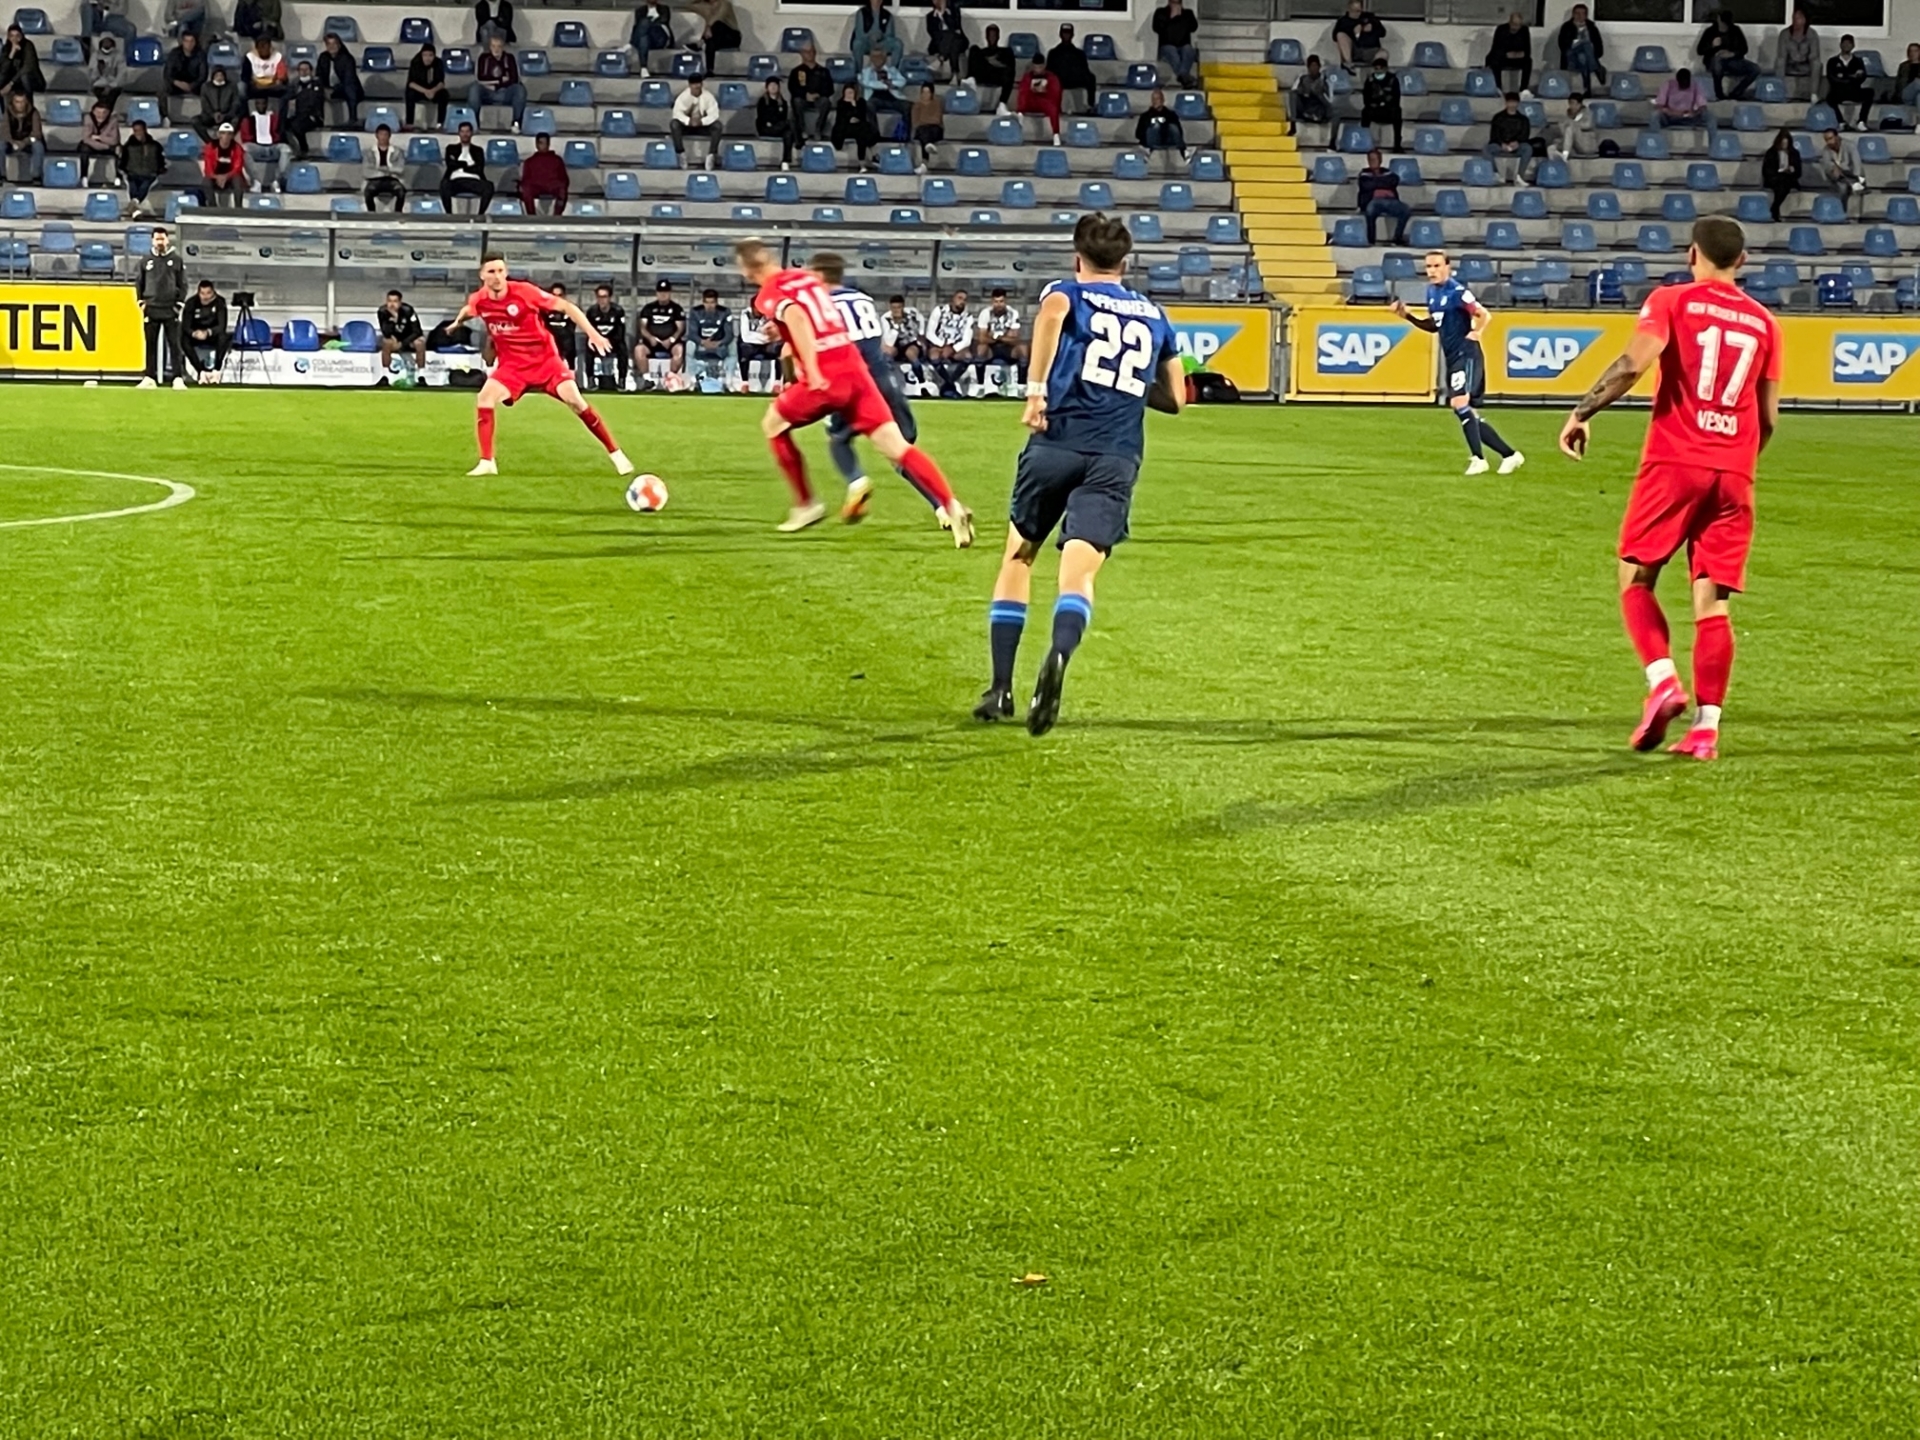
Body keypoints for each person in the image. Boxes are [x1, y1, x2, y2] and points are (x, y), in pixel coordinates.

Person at [1557, 216, 1780, 763]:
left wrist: (1582, 412)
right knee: (1713, 601)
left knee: (1635, 575)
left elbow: (1633, 364)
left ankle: (1663, 683)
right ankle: (1705, 731)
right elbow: (1768, 417)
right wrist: (1735, 461)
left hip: (1676, 459)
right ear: (1742, 261)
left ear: (1691, 254)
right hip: (1735, 472)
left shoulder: (1672, 301)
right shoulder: (1766, 323)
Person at [974, 213, 1184, 732]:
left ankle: (1000, 689)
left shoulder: (1066, 292)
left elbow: (1051, 316)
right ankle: (1061, 650)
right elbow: (1176, 398)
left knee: (1019, 556)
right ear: (1125, 262)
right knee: (1079, 574)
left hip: (1056, 444)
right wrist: (1127, 386)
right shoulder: (1154, 314)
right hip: (1116, 455)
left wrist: (1035, 391)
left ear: (1077, 257)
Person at [735, 237, 970, 540]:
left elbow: (797, 317)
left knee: (773, 424)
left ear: (746, 268)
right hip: (857, 370)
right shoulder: (805, 278)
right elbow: (816, 315)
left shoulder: (768, 294)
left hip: (827, 374)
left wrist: (812, 367)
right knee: (897, 447)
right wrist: (780, 329)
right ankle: (950, 504)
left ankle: (806, 503)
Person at [454, 252, 629, 477]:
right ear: (482, 275)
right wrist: (456, 322)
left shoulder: (525, 292)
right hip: (512, 366)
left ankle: (616, 454)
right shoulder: (479, 299)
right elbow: (469, 311)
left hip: (545, 361)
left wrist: (593, 334)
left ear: (506, 272)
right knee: (484, 398)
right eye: (491, 272)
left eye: (500, 271)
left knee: (576, 402)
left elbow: (567, 307)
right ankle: (487, 462)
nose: (497, 276)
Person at [813, 253, 952, 526]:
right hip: (887, 381)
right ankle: (943, 506)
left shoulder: (822, 306)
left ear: (819, 275)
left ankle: (857, 482)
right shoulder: (864, 300)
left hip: (857, 384)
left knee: (838, 439)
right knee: (903, 451)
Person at [1389, 250, 1522, 475]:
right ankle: (1510, 455)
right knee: (1466, 411)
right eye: (1428, 267)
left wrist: (1477, 332)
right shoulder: (1432, 292)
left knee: (1459, 403)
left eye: (1436, 266)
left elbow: (1484, 314)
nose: (1432, 271)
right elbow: (1434, 326)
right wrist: (1408, 316)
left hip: (1467, 353)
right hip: (1452, 357)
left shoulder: (1457, 292)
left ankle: (1478, 459)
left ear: (1447, 267)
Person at [135, 225, 188, 389]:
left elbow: (183, 283)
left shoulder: (176, 260)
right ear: (152, 240)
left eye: (162, 239)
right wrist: (141, 302)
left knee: (174, 345)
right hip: (151, 307)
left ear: (167, 240)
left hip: (170, 308)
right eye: (157, 239)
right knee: (150, 345)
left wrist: (179, 304)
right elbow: (139, 282)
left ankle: (177, 378)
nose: (160, 242)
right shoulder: (145, 260)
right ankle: (149, 377)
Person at [972, 287, 1027, 394]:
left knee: (1023, 348)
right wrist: (1004, 336)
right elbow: (982, 338)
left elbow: (1015, 338)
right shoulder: (985, 313)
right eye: (996, 302)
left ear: (1006, 301)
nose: (999, 305)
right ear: (992, 302)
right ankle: (980, 386)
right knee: (981, 347)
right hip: (991, 348)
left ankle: (1021, 387)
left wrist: (994, 336)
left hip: (1008, 348)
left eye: (1001, 301)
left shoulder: (1013, 313)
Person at [1697, 10, 1757, 101]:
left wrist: (1732, 54)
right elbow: (1700, 50)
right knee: (1717, 62)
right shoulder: (1710, 31)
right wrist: (1712, 45)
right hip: (1714, 62)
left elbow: (1744, 49)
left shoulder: (1735, 30)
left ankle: (1736, 93)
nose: (1724, 27)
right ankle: (1719, 94)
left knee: (1755, 69)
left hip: (1733, 61)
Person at [633, 278, 686, 382]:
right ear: (656, 293)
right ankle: (647, 380)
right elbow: (642, 327)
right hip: (651, 343)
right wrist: (650, 338)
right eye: (660, 292)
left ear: (669, 293)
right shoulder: (648, 308)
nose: (663, 294)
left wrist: (671, 339)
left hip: (670, 343)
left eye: (665, 292)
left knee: (679, 350)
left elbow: (680, 328)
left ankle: (671, 379)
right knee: (639, 350)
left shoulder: (676, 309)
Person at [924, 288, 973, 397]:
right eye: (959, 298)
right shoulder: (939, 310)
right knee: (934, 356)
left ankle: (949, 383)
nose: (962, 301)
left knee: (968, 356)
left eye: (964, 300)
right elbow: (930, 333)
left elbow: (967, 340)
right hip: (939, 345)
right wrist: (942, 345)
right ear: (953, 299)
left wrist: (953, 348)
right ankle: (949, 384)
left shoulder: (968, 317)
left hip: (956, 347)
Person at [472, 35, 526, 130]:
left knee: (519, 89)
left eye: (499, 46)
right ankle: (473, 122)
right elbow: (480, 78)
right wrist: (501, 80)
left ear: (503, 47)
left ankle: (516, 122)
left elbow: (514, 79)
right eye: (493, 46)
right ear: (490, 47)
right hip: (487, 92)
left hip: (505, 92)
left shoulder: (509, 58)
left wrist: (496, 84)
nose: (496, 49)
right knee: (474, 89)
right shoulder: (483, 58)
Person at [583, 283, 629, 392]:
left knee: (623, 349)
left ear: (610, 298)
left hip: (613, 342)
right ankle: (591, 380)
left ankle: (622, 381)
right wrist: (597, 340)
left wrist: (608, 341)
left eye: (604, 297)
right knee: (588, 348)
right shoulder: (592, 312)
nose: (602, 300)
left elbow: (620, 332)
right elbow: (589, 330)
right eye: (599, 297)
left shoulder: (618, 311)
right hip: (597, 342)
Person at [1357, 148, 1407, 244]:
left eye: (1374, 159)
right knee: (1370, 210)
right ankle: (1371, 240)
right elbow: (1366, 185)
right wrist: (1384, 185)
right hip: (1373, 201)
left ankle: (1397, 237)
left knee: (1405, 210)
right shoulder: (1364, 174)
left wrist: (1375, 185)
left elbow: (1394, 181)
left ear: (1380, 160)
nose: (1372, 161)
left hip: (1390, 201)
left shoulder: (1388, 172)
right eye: (1370, 159)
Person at [439, 120, 492, 211]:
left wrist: (460, 165)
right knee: (444, 185)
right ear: (459, 133)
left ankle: (480, 214)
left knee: (489, 186)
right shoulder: (451, 149)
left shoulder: (478, 150)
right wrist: (467, 164)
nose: (465, 134)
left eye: (467, 132)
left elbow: (479, 168)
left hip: (474, 181)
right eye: (462, 132)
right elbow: (451, 165)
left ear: (471, 133)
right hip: (456, 180)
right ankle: (449, 214)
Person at [182, 278, 228, 382]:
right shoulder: (191, 303)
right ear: (198, 293)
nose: (205, 297)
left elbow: (222, 325)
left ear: (213, 292)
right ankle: (201, 371)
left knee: (223, 337)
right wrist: (194, 333)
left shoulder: (220, 302)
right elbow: (186, 325)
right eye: (202, 293)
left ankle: (216, 371)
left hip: (212, 335)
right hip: (196, 335)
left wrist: (208, 332)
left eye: (208, 293)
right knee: (183, 339)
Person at [1823, 34, 1872, 130]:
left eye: (1849, 43)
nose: (1846, 46)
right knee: (1830, 97)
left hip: (1854, 91)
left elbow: (1862, 77)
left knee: (1870, 93)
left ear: (1853, 46)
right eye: (1844, 43)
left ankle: (1861, 121)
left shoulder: (1858, 61)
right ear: (1840, 45)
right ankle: (1841, 122)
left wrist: (1845, 76)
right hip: (1838, 92)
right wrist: (1851, 77)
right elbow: (1832, 78)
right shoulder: (1832, 61)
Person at [239, 96, 288, 191]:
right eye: (258, 103)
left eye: (263, 103)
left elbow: (279, 132)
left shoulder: (274, 117)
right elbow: (245, 137)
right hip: (257, 147)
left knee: (286, 149)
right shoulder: (249, 119)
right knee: (244, 149)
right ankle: (256, 181)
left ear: (267, 104)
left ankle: (277, 181)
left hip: (272, 147)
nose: (261, 106)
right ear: (255, 105)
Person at [670, 75, 720, 168]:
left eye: (698, 84)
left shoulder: (708, 97)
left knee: (717, 126)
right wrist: (688, 121)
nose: (696, 87)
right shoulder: (683, 97)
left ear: (701, 84)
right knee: (674, 124)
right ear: (690, 85)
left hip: (703, 126)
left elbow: (714, 114)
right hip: (687, 126)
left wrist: (702, 121)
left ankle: (711, 155)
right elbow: (677, 113)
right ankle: (680, 153)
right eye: (694, 84)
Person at [1555, 3, 1605, 95]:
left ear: (1586, 15)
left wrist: (1595, 54)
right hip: (1571, 55)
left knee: (1583, 57)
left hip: (1585, 56)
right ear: (1573, 14)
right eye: (1577, 13)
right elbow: (1562, 45)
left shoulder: (1591, 28)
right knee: (1585, 43)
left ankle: (1587, 89)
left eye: (1582, 13)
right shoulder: (1567, 27)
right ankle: (1597, 68)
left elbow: (1599, 45)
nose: (1580, 16)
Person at [1047, 25, 1097, 116]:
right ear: (1060, 34)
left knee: (1091, 78)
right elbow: (1049, 71)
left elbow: (1085, 70)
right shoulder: (1053, 53)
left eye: (1068, 33)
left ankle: (1091, 105)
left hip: (1074, 80)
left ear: (1072, 35)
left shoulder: (1079, 54)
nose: (1066, 35)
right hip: (1059, 80)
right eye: (1064, 33)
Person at [1652, 67, 1716, 138]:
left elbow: (1703, 106)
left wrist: (1695, 113)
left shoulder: (1695, 85)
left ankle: (1714, 142)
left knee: (1709, 116)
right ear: (1678, 80)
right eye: (1682, 82)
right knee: (1655, 115)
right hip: (1670, 117)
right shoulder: (1668, 84)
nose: (1685, 84)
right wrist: (1672, 112)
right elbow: (1659, 106)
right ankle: (1654, 140)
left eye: (1687, 81)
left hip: (1689, 117)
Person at [316, 32, 363, 128]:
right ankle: (318, 119)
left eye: (334, 43)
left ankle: (353, 118)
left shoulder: (348, 59)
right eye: (329, 44)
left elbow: (349, 79)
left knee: (350, 88)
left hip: (343, 88)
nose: (331, 47)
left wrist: (333, 89)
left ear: (339, 44)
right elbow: (319, 75)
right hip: (328, 88)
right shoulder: (323, 57)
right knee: (314, 89)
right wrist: (324, 88)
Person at [377, 289, 427, 378]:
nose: (392, 304)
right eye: (389, 301)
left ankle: (421, 376)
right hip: (394, 339)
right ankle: (385, 375)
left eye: (395, 301)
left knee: (420, 343)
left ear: (400, 302)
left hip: (409, 338)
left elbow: (417, 331)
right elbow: (386, 332)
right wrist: (393, 320)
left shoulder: (408, 310)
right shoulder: (382, 311)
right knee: (386, 342)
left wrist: (403, 343)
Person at [860, 46, 908, 136]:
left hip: (892, 98)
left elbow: (902, 81)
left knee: (908, 106)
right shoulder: (866, 71)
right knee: (868, 106)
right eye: (874, 57)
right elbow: (866, 83)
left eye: (880, 57)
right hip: (875, 98)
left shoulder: (892, 70)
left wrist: (892, 82)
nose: (877, 60)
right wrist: (885, 85)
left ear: (884, 58)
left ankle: (907, 135)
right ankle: (874, 134)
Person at [1818, 125, 1865, 215]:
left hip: (1852, 175)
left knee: (1851, 186)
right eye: (1826, 140)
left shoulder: (1850, 146)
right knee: (1842, 187)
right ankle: (1841, 212)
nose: (1829, 142)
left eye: (1830, 138)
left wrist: (1855, 179)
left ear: (1837, 137)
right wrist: (1833, 169)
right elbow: (1827, 166)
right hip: (1838, 178)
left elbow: (1856, 164)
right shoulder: (1826, 150)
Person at [789, 43, 834, 139]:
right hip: (803, 99)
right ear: (802, 54)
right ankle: (802, 130)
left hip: (818, 99)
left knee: (826, 102)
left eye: (811, 51)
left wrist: (818, 94)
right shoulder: (796, 71)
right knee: (796, 101)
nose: (809, 54)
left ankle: (818, 129)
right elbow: (792, 88)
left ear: (815, 53)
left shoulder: (823, 71)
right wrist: (805, 95)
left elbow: (830, 89)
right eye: (806, 52)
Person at [282, 60, 324, 159]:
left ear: (311, 71)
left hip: (313, 116)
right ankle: (293, 149)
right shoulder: (295, 85)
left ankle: (304, 149)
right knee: (283, 125)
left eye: (306, 69)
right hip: (298, 115)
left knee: (297, 125)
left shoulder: (317, 84)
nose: (304, 72)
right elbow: (288, 97)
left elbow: (314, 101)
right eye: (301, 69)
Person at [119, 117, 163, 212]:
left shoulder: (155, 145)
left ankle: (134, 204)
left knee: (144, 186)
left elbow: (160, 159)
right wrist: (123, 170)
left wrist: (159, 170)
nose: (138, 133)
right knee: (133, 187)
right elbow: (124, 159)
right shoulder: (128, 146)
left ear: (145, 130)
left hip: (150, 173)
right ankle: (135, 204)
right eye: (135, 130)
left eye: (140, 130)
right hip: (133, 173)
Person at [969, 24, 1015, 114]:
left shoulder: (1005, 52)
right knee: (974, 49)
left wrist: (992, 63)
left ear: (998, 37)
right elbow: (978, 66)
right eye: (990, 36)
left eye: (994, 36)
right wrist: (990, 62)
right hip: (983, 74)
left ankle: (1002, 104)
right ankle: (970, 81)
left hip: (997, 76)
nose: (992, 38)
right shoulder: (981, 52)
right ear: (986, 37)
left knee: (1008, 73)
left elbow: (1009, 67)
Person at [1016, 54, 1062, 144]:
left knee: (1052, 108)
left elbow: (1056, 93)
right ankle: (1020, 116)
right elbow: (1023, 91)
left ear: (1044, 66)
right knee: (1024, 94)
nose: (1038, 70)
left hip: (1045, 101)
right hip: (1031, 102)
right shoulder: (1028, 77)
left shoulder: (1051, 77)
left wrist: (1045, 91)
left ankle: (1056, 134)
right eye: (1035, 67)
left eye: (1040, 67)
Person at [1486, 92, 1531, 184]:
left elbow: (1525, 135)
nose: (1512, 105)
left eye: (1514, 102)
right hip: (1500, 145)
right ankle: (1495, 174)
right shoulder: (1498, 117)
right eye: (1510, 102)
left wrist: (1517, 142)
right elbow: (1494, 135)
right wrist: (1501, 144)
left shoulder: (1524, 119)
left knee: (1527, 148)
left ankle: (1519, 176)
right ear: (1506, 103)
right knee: (1487, 149)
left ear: (1518, 103)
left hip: (1517, 145)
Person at [685, 0, 741, 74]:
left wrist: (708, 26)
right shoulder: (708, 7)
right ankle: (710, 70)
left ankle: (700, 44)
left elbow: (719, 16)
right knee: (711, 41)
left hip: (731, 37)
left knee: (718, 25)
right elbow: (691, 5)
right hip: (717, 37)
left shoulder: (725, 4)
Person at [1152, 0, 1198, 89]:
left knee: (1189, 49)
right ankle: (1185, 77)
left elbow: (1194, 27)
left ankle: (1182, 76)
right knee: (1171, 50)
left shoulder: (1188, 14)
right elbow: (1157, 28)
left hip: (1183, 45)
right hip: (1167, 46)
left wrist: (1181, 17)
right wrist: (1172, 17)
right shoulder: (1160, 12)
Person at [518, 130, 568, 213]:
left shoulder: (557, 160)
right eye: (540, 143)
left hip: (552, 186)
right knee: (526, 187)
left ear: (548, 144)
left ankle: (557, 215)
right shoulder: (529, 162)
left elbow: (564, 178)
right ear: (536, 144)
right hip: (536, 186)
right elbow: (526, 179)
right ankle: (531, 215)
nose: (543, 145)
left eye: (545, 143)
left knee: (562, 187)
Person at [734, 304, 781, 391]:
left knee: (780, 349)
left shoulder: (770, 314)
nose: (759, 312)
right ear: (752, 308)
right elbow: (746, 336)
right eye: (757, 309)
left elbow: (776, 334)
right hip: (752, 345)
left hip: (766, 345)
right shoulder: (746, 314)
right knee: (743, 347)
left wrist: (762, 338)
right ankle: (745, 383)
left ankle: (777, 383)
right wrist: (763, 338)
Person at [1775, 9, 1819, 102]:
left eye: (1798, 18)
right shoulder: (1784, 34)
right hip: (1790, 64)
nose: (1795, 21)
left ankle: (1813, 94)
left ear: (1804, 20)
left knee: (1817, 63)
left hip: (1805, 64)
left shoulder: (1812, 34)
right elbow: (1782, 54)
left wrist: (1809, 60)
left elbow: (1814, 54)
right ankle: (1779, 91)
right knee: (1779, 62)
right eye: (1794, 18)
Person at [1361, 54, 1402, 152]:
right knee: (1365, 112)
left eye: (1381, 69)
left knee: (1397, 112)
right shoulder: (1370, 80)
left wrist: (1385, 103)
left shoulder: (1393, 80)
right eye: (1376, 69)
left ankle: (1397, 145)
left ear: (1386, 69)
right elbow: (1366, 98)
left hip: (1388, 110)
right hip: (1374, 109)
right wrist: (1375, 104)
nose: (1378, 71)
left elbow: (1396, 98)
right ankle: (1363, 142)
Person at [1485, 13, 1533, 97]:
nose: (1516, 27)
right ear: (1510, 22)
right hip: (1503, 58)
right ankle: (1498, 88)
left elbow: (1527, 51)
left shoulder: (1524, 30)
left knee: (1528, 61)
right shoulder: (1501, 29)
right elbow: (1496, 48)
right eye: (1514, 24)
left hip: (1517, 58)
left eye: (1519, 25)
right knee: (1494, 60)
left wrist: (1514, 54)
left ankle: (1523, 89)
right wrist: (1507, 54)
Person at [688, 287, 730, 381]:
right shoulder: (695, 312)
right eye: (707, 302)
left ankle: (729, 380)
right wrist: (702, 342)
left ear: (716, 302)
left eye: (712, 302)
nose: (709, 306)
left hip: (719, 345)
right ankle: (691, 379)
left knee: (733, 347)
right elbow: (692, 333)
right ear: (703, 302)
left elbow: (729, 334)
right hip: (701, 344)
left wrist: (718, 343)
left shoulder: (725, 312)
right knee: (689, 345)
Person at [1333, 0, 1386, 74]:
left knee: (1383, 54)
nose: (1357, 13)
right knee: (1341, 35)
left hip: (1371, 50)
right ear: (1349, 9)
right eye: (1354, 11)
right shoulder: (1343, 21)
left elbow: (1383, 33)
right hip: (1354, 51)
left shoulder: (1370, 18)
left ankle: (1378, 74)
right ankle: (1349, 64)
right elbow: (1335, 37)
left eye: (1359, 10)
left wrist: (1372, 27)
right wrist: (1352, 31)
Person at [830, 81, 876, 166]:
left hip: (858, 126)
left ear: (855, 93)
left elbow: (862, 116)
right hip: (844, 127)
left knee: (863, 131)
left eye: (850, 93)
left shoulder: (861, 102)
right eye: (846, 93)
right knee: (848, 129)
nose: (848, 95)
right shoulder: (840, 103)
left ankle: (862, 160)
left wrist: (854, 106)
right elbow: (840, 118)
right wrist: (850, 117)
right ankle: (869, 157)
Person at [162, 32, 205, 123]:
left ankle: (205, 118)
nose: (189, 44)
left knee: (208, 89)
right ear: (182, 42)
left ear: (195, 42)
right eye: (186, 41)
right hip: (177, 84)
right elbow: (167, 73)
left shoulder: (201, 54)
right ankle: (165, 116)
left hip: (195, 85)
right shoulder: (174, 53)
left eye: (191, 41)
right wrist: (177, 83)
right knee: (163, 89)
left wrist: (192, 85)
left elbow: (203, 75)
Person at [405, 42, 448, 130]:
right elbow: (411, 83)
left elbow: (441, 83)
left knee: (444, 94)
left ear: (434, 56)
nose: (427, 58)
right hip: (420, 90)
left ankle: (440, 123)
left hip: (433, 90)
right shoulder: (415, 62)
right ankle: (409, 122)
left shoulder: (439, 63)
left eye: (430, 55)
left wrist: (433, 91)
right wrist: (425, 91)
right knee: (410, 94)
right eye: (425, 55)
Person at [1135, 88, 1185, 162]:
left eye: (1157, 99)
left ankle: (1184, 152)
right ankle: (1147, 150)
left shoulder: (1171, 115)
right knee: (1155, 126)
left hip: (1167, 139)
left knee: (1172, 127)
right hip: (1151, 140)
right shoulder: (1145, 116)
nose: (1155, 101)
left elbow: (1179, 132)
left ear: (1162, 100)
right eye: (1153, 99)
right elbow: (1138, 134)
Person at [201, 121, 246, 204]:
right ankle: (212, 206)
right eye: (223, 133)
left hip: (231, 177)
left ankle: (238, 207)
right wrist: (217, 177)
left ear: (232, 136)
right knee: (206, 182)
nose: (226, 136)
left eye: (229, 134)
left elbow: (238, 167)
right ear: (219, 135)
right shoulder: (211, 147)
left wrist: (226, 176)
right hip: (215, 177)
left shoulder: (237, 148)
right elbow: (208, 168)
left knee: (238, 181)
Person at [1, 89, 41, 182]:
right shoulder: (7, 112)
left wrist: (24, 143)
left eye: (22, 102)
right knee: (1, 145)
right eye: (17, 102)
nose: (20, 105)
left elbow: (36, 133)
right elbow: (4, 132)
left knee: (38, 146)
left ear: (26, 102)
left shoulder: (33, 112)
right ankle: (1, 176)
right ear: (13, 102)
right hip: (12, 143)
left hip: (28, 142)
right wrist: (12, 142)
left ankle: (36, 176)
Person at [848, 0, 902, 69]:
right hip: (867, 43)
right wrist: (870, 37)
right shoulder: (862, 13)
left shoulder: (887, 15)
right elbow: (859, 34)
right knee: (857, 44)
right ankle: (858, 71)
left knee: (897, 44)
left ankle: (893, 70)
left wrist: (881, 38)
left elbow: (890, 35)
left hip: (882, 43)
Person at [364, 122, 406, 209]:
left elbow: (400, 169)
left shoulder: (398, 151)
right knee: (368, 192)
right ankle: (371, 214)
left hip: (392, 179)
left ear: (389, 136)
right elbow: (366, 171)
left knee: (401, 191)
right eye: (381, 134)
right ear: (376, 136)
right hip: (375, 179)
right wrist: (387, 171)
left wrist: (384, 169)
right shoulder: (369, 152)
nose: (383, 137)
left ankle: (398, 213)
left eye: (385, 135)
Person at [1761, 125, 1800, 220]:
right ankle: (1775, 209)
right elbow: (1766, 170)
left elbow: (1799, 172)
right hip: (1774, 179)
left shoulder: (1794, 153)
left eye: (1786, 144)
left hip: (1789, 178)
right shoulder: (1771, 153)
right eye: (1783, 143)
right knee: (1781, 184)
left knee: (1785, 182)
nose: (1784, 146)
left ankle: (1775, 207)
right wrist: (1778, 172)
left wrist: (1792, 170)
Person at [195, 64, 242, 141]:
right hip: (210, 116)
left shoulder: (231, 86)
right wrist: (213, 114)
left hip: (226, 116)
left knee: (237, 119)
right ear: (213, 76)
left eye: (221, 75)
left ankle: (227, 140)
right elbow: (205, 103)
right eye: (217, 75)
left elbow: (235, 103)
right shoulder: (206, 86)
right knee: (195, 121)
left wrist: (226, 115)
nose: (219, 77)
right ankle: (209, 142)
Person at [543, 281, 578, 380]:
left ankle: (571, 376)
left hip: (566, 343)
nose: (557, 298)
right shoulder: (545, 311)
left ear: (564, 296)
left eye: (560, 295)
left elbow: (571, 329)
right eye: (554, 295)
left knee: (568, 342)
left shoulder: (570, 310)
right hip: (550, 343)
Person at [755, 78, 794, 168]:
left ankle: (785, 161)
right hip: (766, 128)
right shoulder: (762, 101)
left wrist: (776, 122)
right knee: (789, 123)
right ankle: (799, 140)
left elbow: (783, 117)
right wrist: (773, 121)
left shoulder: (783, 102)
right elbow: (763, 117)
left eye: (775, 85)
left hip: (779, 127)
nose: (773, 87)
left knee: (788, 134)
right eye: (771, 85)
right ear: (767, 87)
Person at [882, 293, 925, 374]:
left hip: (911, 342)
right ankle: (889, 374)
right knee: (887, 351)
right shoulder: (885, 318)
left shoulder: (912, 312)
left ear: (903, 306)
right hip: (895, 343)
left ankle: (920, 375)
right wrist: (896, 325)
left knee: (910, 353)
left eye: (898, 307)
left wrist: (921, 333)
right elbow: (889, 342)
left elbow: (921, 319)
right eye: (893, 308)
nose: (896, 310)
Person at [926, 0, 967, 84]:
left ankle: (941, 58)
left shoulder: (953, 12)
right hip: (940, 42)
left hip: (960, 40)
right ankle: (955, 74)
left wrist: (944, 14)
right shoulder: (930, 17)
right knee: (953, 43)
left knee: (953, 37)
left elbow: (956, 27)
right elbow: (934, 35)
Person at [81, 99, 120, 186]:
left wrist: (98, 137)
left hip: (107, 146)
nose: (101, 115)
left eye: (104, 112)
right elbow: (87, 139)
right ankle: (84, 176)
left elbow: (114, 140)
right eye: (98, 112)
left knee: (118, 150)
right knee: (84, 148)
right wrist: (106, 145)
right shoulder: (88, 119)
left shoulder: (113, 121)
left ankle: (118, 177)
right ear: (93, 111)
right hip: (96, 146)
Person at [1291, 55, 1331, 137]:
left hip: (1319, 106)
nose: (1314, 68)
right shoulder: (1302, 78)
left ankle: (1318, 117)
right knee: (1293, 95)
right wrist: (1304, 92)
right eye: (1312, 66)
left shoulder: (1325, 79)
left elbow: (1330, 100)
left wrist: (1319, 94)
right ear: (1308, 68)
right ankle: (1293, 124)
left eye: (1316, 66)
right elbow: (1294, 90)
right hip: (1306, 106)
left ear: (1319, 67)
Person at [0, 25, 44, 100]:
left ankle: (28, 103)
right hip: (14, 81)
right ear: (8, 37)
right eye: (12, 36)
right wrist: (12, 53)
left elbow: (28, 67)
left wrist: (11, 83)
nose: (15, 39)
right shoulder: (6, 48)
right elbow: (3, 70)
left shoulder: (28, 45)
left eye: (17, 36)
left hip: (32, 81)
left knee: (24, 76)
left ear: (21, 36)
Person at [1549, 94, 1594, 161]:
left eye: (1574, 104)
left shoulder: (1587, 113)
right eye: (1570, 103)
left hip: (1586, 143)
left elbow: (1588, 124)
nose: (1572, 106)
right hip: (1573, 144)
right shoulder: (1568, 114)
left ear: (1580, 104)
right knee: (1554, 144)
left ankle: (1564, 156)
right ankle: (1555, 160)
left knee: (1570, 128)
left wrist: (1572, 123)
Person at [909, 81, 942, 170]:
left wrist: (923, 121)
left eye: (927, 92)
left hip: (935, 129)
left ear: (932, 94)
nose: (925, 95)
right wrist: (927, 121)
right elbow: (915, 121)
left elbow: (937, 120)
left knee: (929, 131)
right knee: (923, 132)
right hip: (921, 130)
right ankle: (928, 146)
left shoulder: (936, 104)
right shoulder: (916, 105)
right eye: (923, 92)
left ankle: (924, 163)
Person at [632, 0, 672, 72]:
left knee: (644, 22)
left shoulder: (664, 9)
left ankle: (630, 44)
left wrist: (648, 22)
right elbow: (637, 26)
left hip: (660, 38)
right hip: (646, 40)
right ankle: (643, 68)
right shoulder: (640, 11)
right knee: (644, 39)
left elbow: (664, 20)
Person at [89, 33, 125, 111]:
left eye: (108, 41)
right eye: (104, 42)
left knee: (111, 97)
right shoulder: (95, 55)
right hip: (99, 85)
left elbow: (121, 74)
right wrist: (99, 69)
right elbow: (92, 75)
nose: (106, 44)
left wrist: (110, 86)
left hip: (114, 86)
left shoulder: (119, 56)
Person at [245, 35, 287, 101]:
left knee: (285, 90)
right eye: (261, 46)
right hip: (255, 85)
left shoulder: (277, 56)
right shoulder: (250, 57)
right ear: (256, 47)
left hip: (273, 84)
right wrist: (253, 83)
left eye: (265, 45)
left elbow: (281, 75)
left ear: (270, 46)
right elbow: (246, 76)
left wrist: (277, 81)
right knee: (242, 87)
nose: (263, 48)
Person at [1897, 42, 1920, 111]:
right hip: (1906, 93)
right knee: (1917, 82)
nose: (1913, 53)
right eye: (1911, 51)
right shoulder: (1904, 66)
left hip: (1916, 96)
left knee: (1919, 96)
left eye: (1915, 51)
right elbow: (1899, 83)